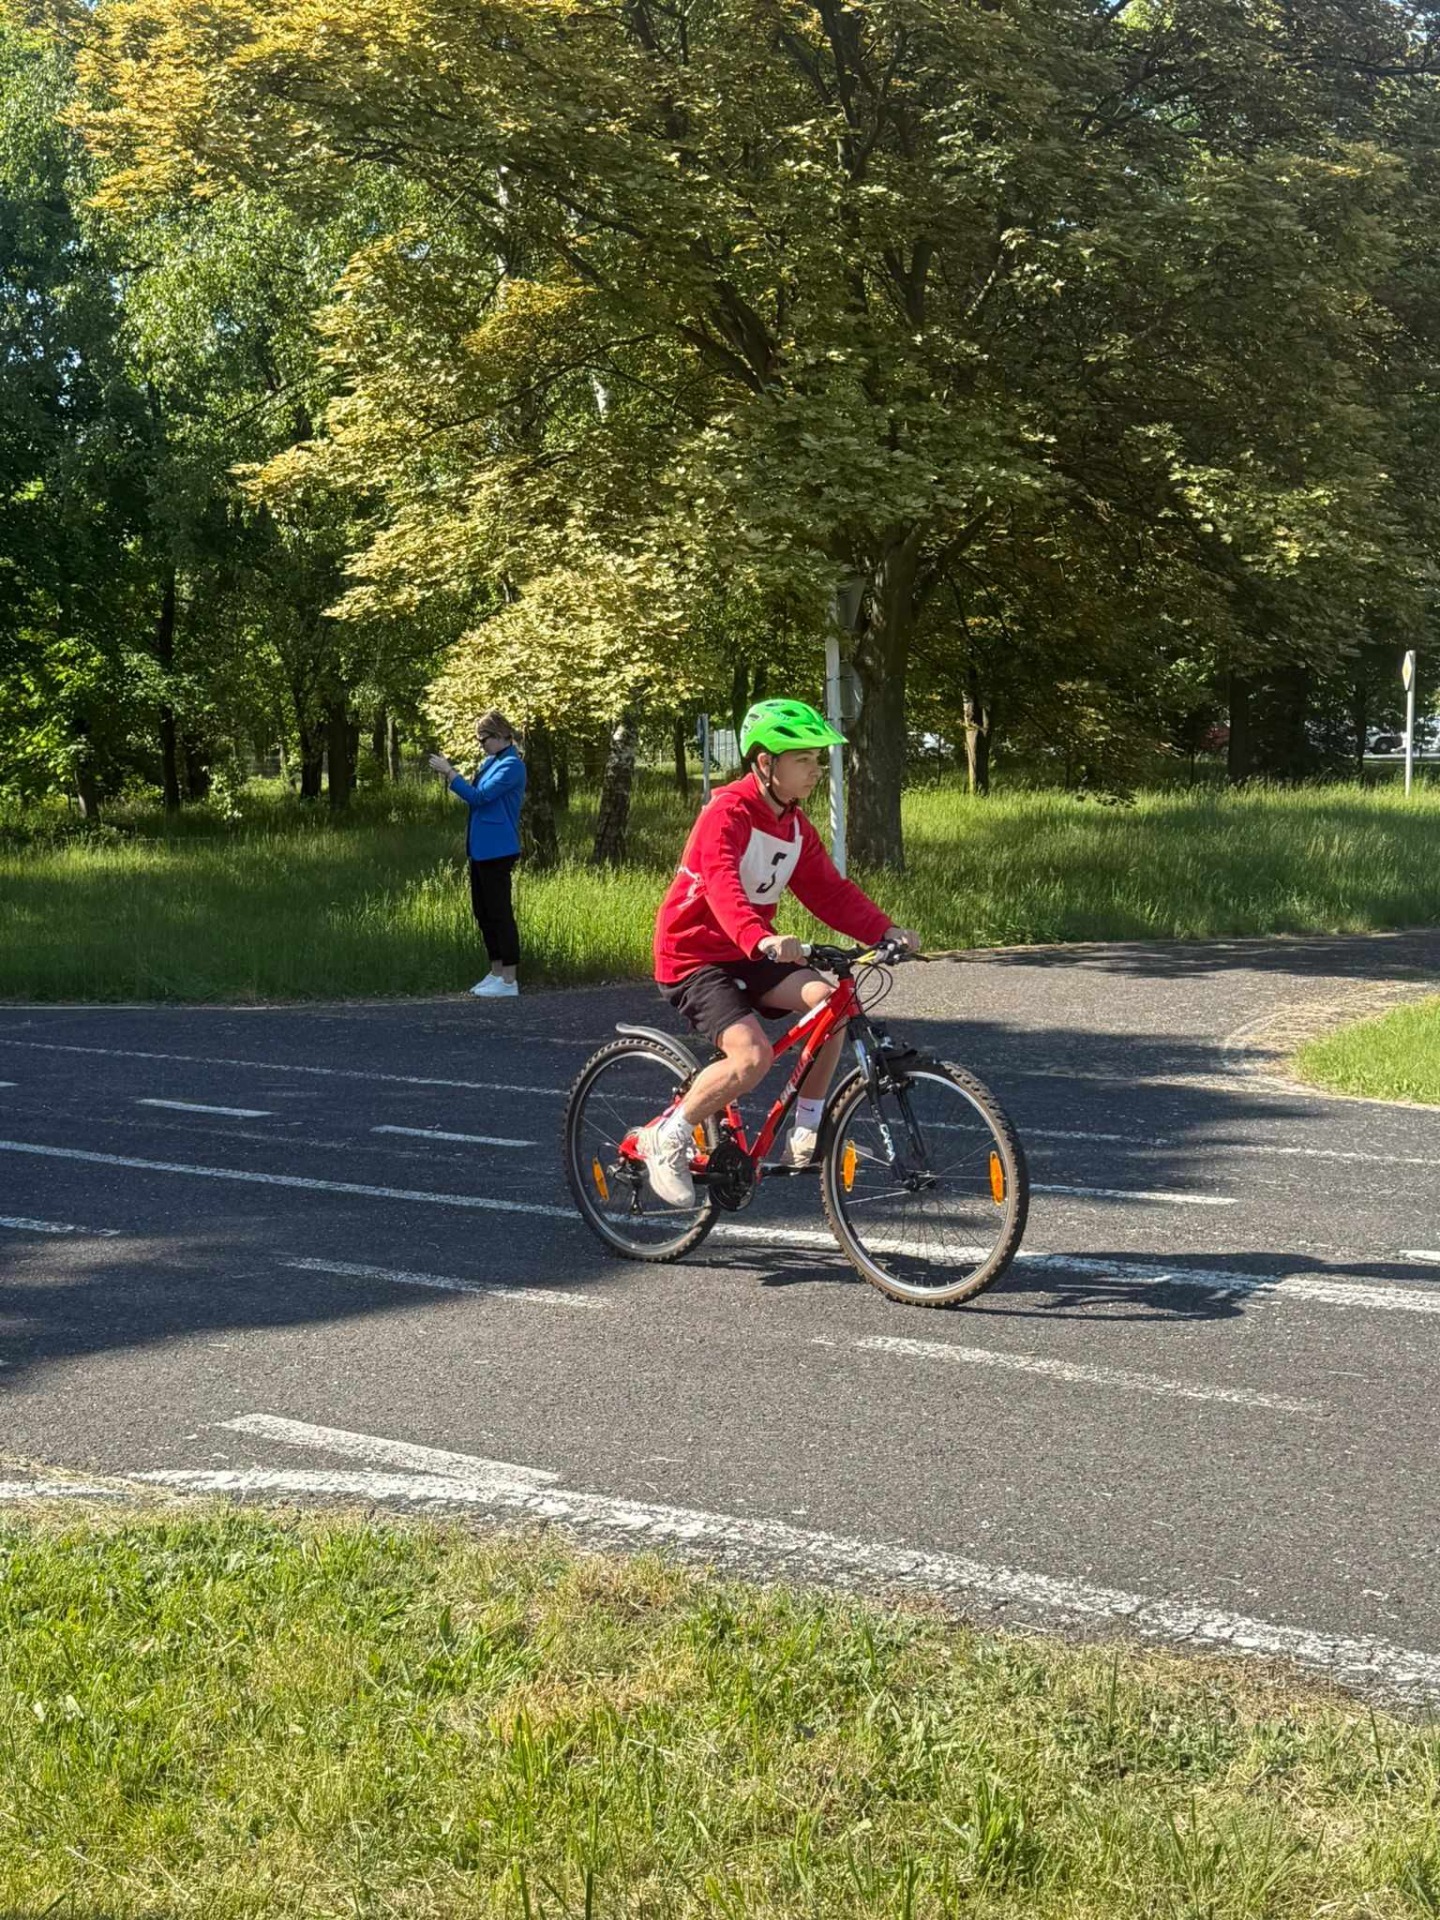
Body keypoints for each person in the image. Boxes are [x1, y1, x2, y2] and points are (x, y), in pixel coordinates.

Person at [641, 697, 919, 1206]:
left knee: (831, 1003)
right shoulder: (727, 812)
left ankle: (806, 1130)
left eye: (817, 759)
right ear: (766, 763)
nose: (816, 770)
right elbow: (722, 884)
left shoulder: (792, 824)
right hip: (695, 956)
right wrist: (760, 937)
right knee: (752, 1057)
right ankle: (667, 1135)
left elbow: (829, 892)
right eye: (803, 760)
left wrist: (886, 929)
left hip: (749, 951)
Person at [429, 710, 528, 999]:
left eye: (483, 739)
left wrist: (449, 772)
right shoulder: (491, 762)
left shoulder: (512, 766)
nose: (481, 745)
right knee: (483, 912)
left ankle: (509, 979)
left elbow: (480, 797)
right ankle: (496, 971)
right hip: (482, 848)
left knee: (500, 912)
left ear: (500, 735)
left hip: (498, 849)